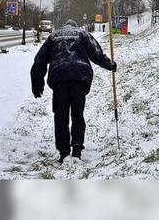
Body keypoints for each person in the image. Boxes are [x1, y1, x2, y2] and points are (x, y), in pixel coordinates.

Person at [30, 19, 116, 162]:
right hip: (79, 78)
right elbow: (96, 54)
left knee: (60, 116)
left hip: (60, 79)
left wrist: (37, 82)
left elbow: (40, 60)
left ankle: (63, 151)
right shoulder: (82, 34)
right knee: (77, 114)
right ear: (75, 26)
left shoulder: (54, 36)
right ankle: (76, 147)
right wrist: (110, 65)